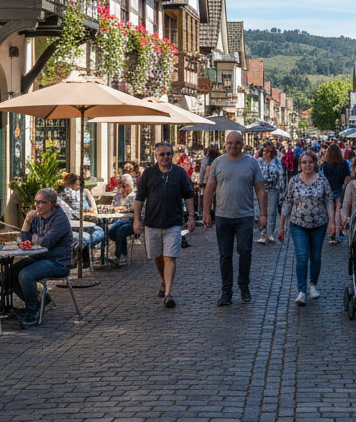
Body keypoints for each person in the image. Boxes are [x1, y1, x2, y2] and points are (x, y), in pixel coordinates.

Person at [203, 131, 268, 306]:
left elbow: (260, 190)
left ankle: (244, 284)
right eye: (230, 143)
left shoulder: (252, 163)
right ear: (225, 144)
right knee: (225, 255)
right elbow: (209, 188)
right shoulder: (218, 162)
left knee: (245, 251)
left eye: (237, 143)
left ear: (242, 144)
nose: (234, 146)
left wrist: (263, 214)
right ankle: (226, 292)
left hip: (245, 216)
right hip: (223, 216)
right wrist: (206, 212)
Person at [135, 142, 196, 308]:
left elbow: (189, 195)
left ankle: (168, 293)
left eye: (168, 154)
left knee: (170, 257)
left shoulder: (180, 173)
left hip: (174, 222)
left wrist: (191, 217)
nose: (165, 157)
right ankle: (164, 280)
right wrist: (136, 219)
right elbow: (139, 197)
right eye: (162, 154)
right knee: (157, 257)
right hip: (152, 222)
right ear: (156, 156)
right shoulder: (148, 173)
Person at [9, 188, 75, 325]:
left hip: (58, 262)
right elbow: (24, 241)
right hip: (40, 258)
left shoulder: (60, 219)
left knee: (25, 275)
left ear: (51, 204)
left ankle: (32, 312)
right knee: (9, 273)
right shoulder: (36, 217)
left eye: (41, 202)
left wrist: (33, 240)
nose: (37, 206)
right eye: (36, 202)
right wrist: (27, 221)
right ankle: (40, 301)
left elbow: (46, 243)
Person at [278, 152, 335, 306]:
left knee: (315, 256)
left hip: (319, 223)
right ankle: (301, 291)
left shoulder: (322, 180)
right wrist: (281, 226)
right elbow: (287, 202)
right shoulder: (294, 181)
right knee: (302, 256)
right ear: (300, 165)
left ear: (315, 163)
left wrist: (332, 222)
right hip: (298, 224)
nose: (307, 165)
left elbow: (329, 201)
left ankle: (313, 286)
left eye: (310, 162)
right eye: (304, 162)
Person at [320, 144, 351, 243]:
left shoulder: (325, 165)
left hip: (328, 191)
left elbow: (321, 178)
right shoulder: (344, 163)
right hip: (340, 190)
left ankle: (332, 235)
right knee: (338, 211)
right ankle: (338, 233)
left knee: (330, 214)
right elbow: (347, 177)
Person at [105, 175, 136, 266]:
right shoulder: (118, 194)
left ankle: (121, 256)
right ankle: (120, 253)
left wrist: (122, 209)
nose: (123, 187)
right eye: (121, 184)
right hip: (119, 220)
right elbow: (113, 206)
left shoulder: (135, 194)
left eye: (125, 184)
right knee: (111, 232)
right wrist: (119, 208)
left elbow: (135, 209)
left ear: (131, 185)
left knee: (121, 231)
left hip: (132, 221)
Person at [257, 143, 284, 245]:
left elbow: (280, 177)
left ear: (272, 153)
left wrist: (281, 193)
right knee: (262, 212)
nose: (265, 153)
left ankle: (270, 234)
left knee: (272, 212)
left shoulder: (277, 162)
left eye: (268, 152)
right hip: (261, 190)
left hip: (273, 189)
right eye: (264, 151)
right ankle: (262, 234)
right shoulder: (258, 162)